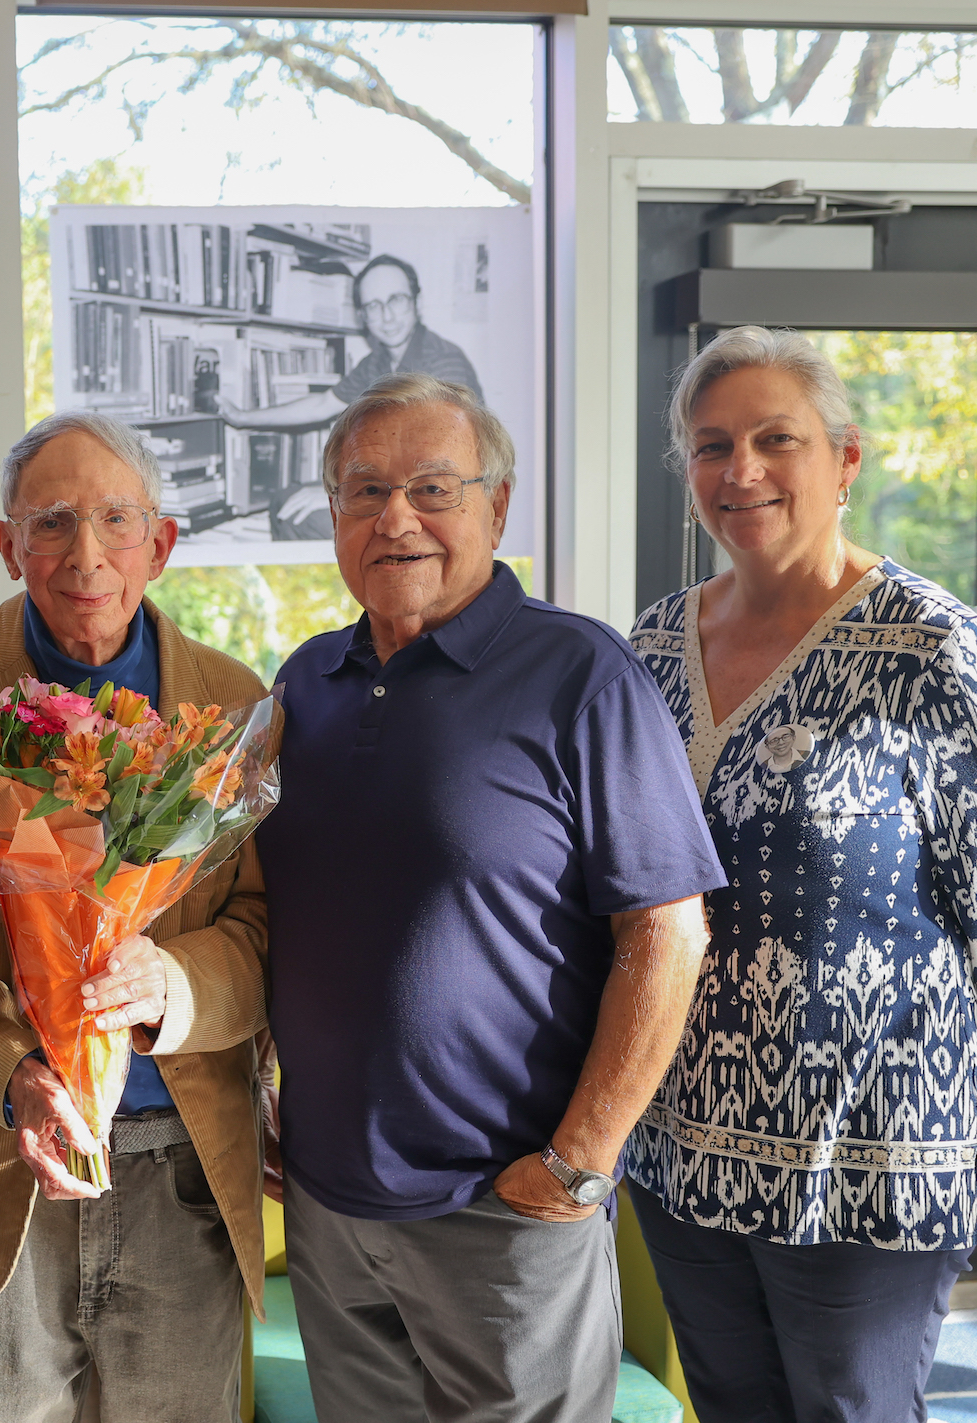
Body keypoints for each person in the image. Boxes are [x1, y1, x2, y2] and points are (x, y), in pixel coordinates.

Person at [258, 372, 725, 1423]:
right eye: (363, 491)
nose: (396, 518)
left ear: (497, 506)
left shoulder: (578, 673)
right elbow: (274, 919)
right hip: (330, 1206)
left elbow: (667, 933)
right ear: (333, 517)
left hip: (505, 1211)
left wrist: (582, 1162)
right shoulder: (303, 686)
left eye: (433, 486)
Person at [0, 411, 270, 1422]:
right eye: (50, 524)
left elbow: (262, 929)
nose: (84, 555)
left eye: (115, 521)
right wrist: (20, 1081)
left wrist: (174, 986)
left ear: (161, 544)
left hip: (182, 1168)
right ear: (7, 546)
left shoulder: (234, 703)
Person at [625, 326, 977, 1421]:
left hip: (867, 1156)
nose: (743, 471)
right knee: (730, 1408)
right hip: (682, 1148)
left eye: (777, 438)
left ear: (846, 458)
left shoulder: (935, 653)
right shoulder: (646, 650)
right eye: (711, 444)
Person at [220, 255, 485, 541]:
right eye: (373, 306)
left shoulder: (444, 363)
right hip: (398, 489)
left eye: (395, 300)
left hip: (440, 501)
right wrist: (242, 417)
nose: (386, 316)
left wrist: (345, 490)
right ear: (362, 315)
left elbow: (439, 465)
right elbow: (323, 404)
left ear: (416, 303)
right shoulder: (378, 362)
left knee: (305, 519)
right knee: (286, 498)